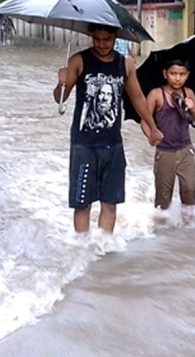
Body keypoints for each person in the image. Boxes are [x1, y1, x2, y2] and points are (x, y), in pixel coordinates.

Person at [54, 23, 164, 233]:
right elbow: (60, 99)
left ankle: (103, 249)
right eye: (97, 39)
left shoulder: (126, 64)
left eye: (107, 39)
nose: (102, 44)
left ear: (116, 37)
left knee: (109, 203)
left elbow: (138, 98)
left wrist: (153, 127)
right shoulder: (78, 61)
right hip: (83, 145)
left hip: (112, 144)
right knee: (82, 204)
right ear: (91, 36)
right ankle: (82, 249)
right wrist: (61, 82)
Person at [143, 58, 195, 222]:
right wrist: (151, 136)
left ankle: (187, 227)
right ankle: (161, 230)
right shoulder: (156, 94)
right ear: (165, 74)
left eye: (182, 74)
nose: (177, 78)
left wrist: (193, 108)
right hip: (164, 152)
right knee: (163, 197)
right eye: (173, 74)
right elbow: (145, 121)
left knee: (189, 190)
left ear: (188, 75)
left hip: (185, 149)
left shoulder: (188, 93)